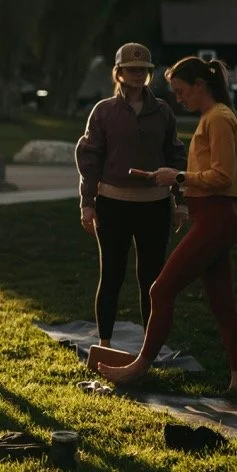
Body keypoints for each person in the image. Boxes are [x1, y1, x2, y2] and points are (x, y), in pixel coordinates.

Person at [98, 56, 237, 395]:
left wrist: (178, 175)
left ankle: (139, 367)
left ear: (200, 86)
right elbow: (209, 176)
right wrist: (174, 181)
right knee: (223, 302)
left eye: (182, 92)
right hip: (212, 216)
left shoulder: (219, 119)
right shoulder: (213, 117)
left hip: (216, 218)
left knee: (160, 289)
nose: (179, 100)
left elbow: (222, 176)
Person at [75, 43, 187, 352]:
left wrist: (181, 201)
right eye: (131, 69)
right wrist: (87, 202)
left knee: (151, 278)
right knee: (111, 273)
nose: (138, 75)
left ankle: (150, 347)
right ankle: (105, 342)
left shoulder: (162, 110)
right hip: (112, 205)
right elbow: (90, 157)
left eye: (143, 70)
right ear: (119, 73)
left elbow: (175, 156)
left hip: (154, 205)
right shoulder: (104, 111)